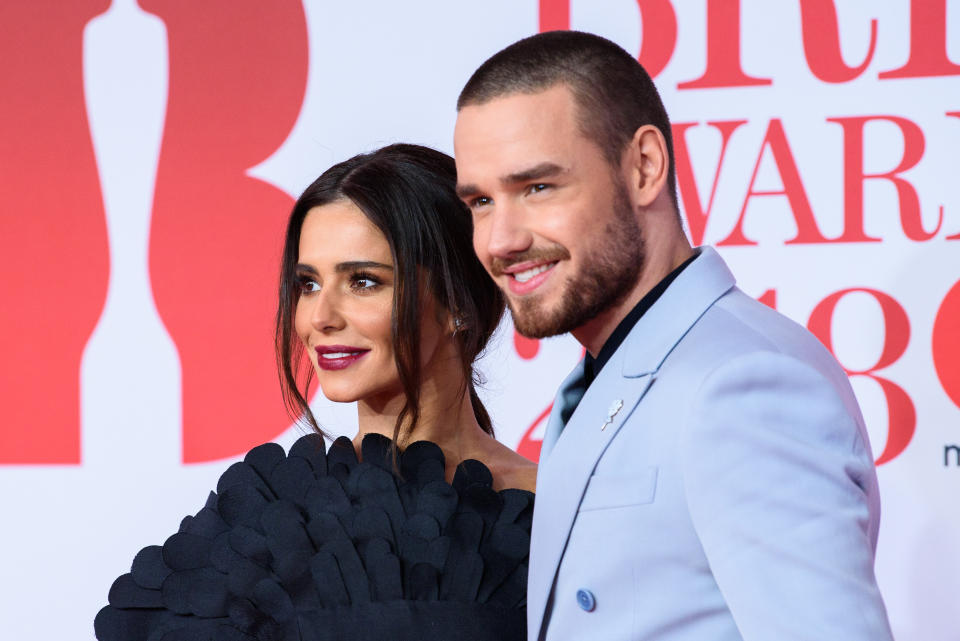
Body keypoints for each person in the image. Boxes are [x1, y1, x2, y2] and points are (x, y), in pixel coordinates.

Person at [453, 31, 893, 641]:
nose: (500, 239)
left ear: (645, 167)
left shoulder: (743, 385)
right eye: (479, 201)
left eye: (537, 187)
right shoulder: (606, 377)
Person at [95, 144, 537, 641]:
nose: (320, 317)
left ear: (457, 301)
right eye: (308, 284)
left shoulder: (552, 509)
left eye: (363, 282)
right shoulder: (268, 523)